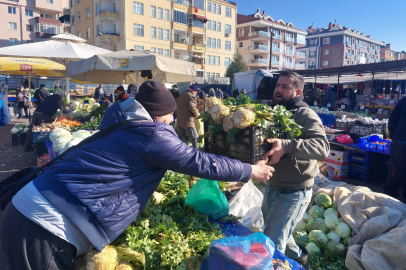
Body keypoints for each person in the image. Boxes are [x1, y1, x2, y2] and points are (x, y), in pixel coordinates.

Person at [0, 81, 274, 270]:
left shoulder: (123, 125)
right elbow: (198, 162)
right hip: (44, 226)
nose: (171, 124)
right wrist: (251, 170)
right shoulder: (151, 133)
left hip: (34, 213)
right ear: (161, 116)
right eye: (170, 118)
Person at [261, 71, 329, 267]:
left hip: (294, 191)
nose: (278, 90)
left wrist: (288, 145)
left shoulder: (305, 114)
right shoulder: (273, 112)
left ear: (298, 91)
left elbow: (322, 148)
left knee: (272, 244)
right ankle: (302, 261)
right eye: (277, 85)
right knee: (283, 234)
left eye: (285, 87)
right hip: (272, 186)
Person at [384, 96, 406, 201]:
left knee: (395, 169)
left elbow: (392, 119)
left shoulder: (404, 100)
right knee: (395, 169)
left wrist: (394, 136)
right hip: (400, 141)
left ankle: (390, 196)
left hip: (400, 142)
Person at [176, 83, 200, 149]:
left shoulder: (181, 95)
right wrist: (197, 115)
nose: (196, 93)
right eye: (196, 92)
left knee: (180, 137)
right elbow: (192, 107)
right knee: (195, 137)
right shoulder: (191, 96)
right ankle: (196, 152)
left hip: (180, 120)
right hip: (188, 121)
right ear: (192, 90)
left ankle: (179, 150)